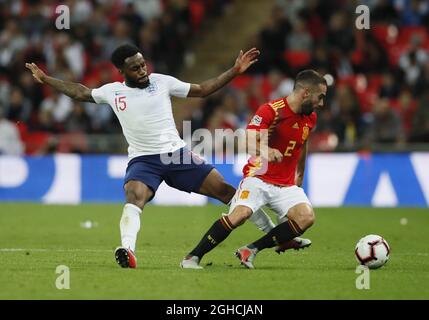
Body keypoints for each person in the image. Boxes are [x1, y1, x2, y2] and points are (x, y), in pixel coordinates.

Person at [25, 44, 308, 269]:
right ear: (122, 72)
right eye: (134, 68)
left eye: (142, 64)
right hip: (143, 160)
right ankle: (127, 249)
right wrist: (46, 79)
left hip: (177, 155)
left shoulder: (161, 82)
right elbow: (80, 92)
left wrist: (234, 71)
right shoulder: (112, 92)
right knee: (134, 196)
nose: (142, 70)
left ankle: (278, 238)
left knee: (227, 193)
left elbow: (201, 90)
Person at [181, 70, 327, 269]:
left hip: (285, 185)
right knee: (240, 215)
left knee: (306, 217)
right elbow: (246, 142)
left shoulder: (310, 118)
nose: (321, 103)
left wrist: (299, 173)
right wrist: (267, 150)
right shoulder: (271, 111)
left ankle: (250, 250)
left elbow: (303, 143)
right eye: (320, 97)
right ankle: (192, 257)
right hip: (258, 178)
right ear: (306, 93)